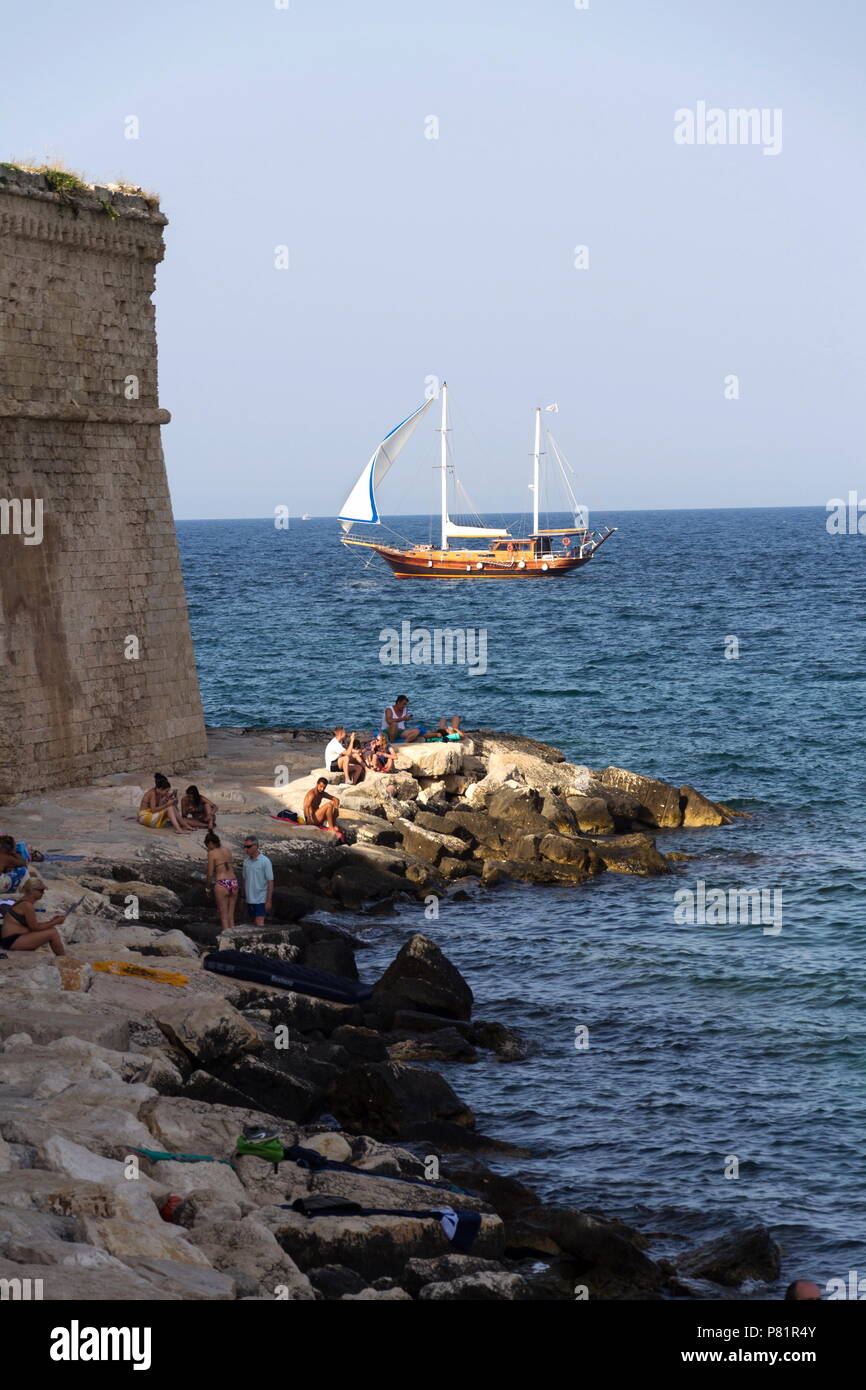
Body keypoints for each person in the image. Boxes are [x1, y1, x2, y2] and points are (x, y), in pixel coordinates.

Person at [0, 878, 66, 955]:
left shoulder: (24, 902)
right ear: (31, 891)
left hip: (12, 938)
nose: (43, 893)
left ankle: (62, 959)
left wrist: (52, 922)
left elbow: (33, 925)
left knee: (51, 929)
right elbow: (35, 928)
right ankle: (63, 959)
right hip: (11, 940)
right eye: (41, 890)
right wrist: (55, 922)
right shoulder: (27, 905)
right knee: (53, 932)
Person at [204, 831, 237, 932]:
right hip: (233, 882)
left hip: (222, 883)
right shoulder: (227, 850)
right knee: (230, 916)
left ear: (210, 843)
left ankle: (227, 944)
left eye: (207, 845)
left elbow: (209, 873)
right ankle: (235, 940)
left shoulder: (212, 853)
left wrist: (208, 888)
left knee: (223, 916)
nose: (207, 848)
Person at [240, 835, 273, 926]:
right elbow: (244, 880)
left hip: (261, 898)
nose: (246, 849)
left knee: (259, 922)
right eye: (245, 846)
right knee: (253, 923)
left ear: (256, 846)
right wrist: (243, 898)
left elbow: (270, 881)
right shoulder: (246, 862)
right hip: (250, 898)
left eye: (248, 846)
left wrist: (268, 901)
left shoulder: (265, 861)